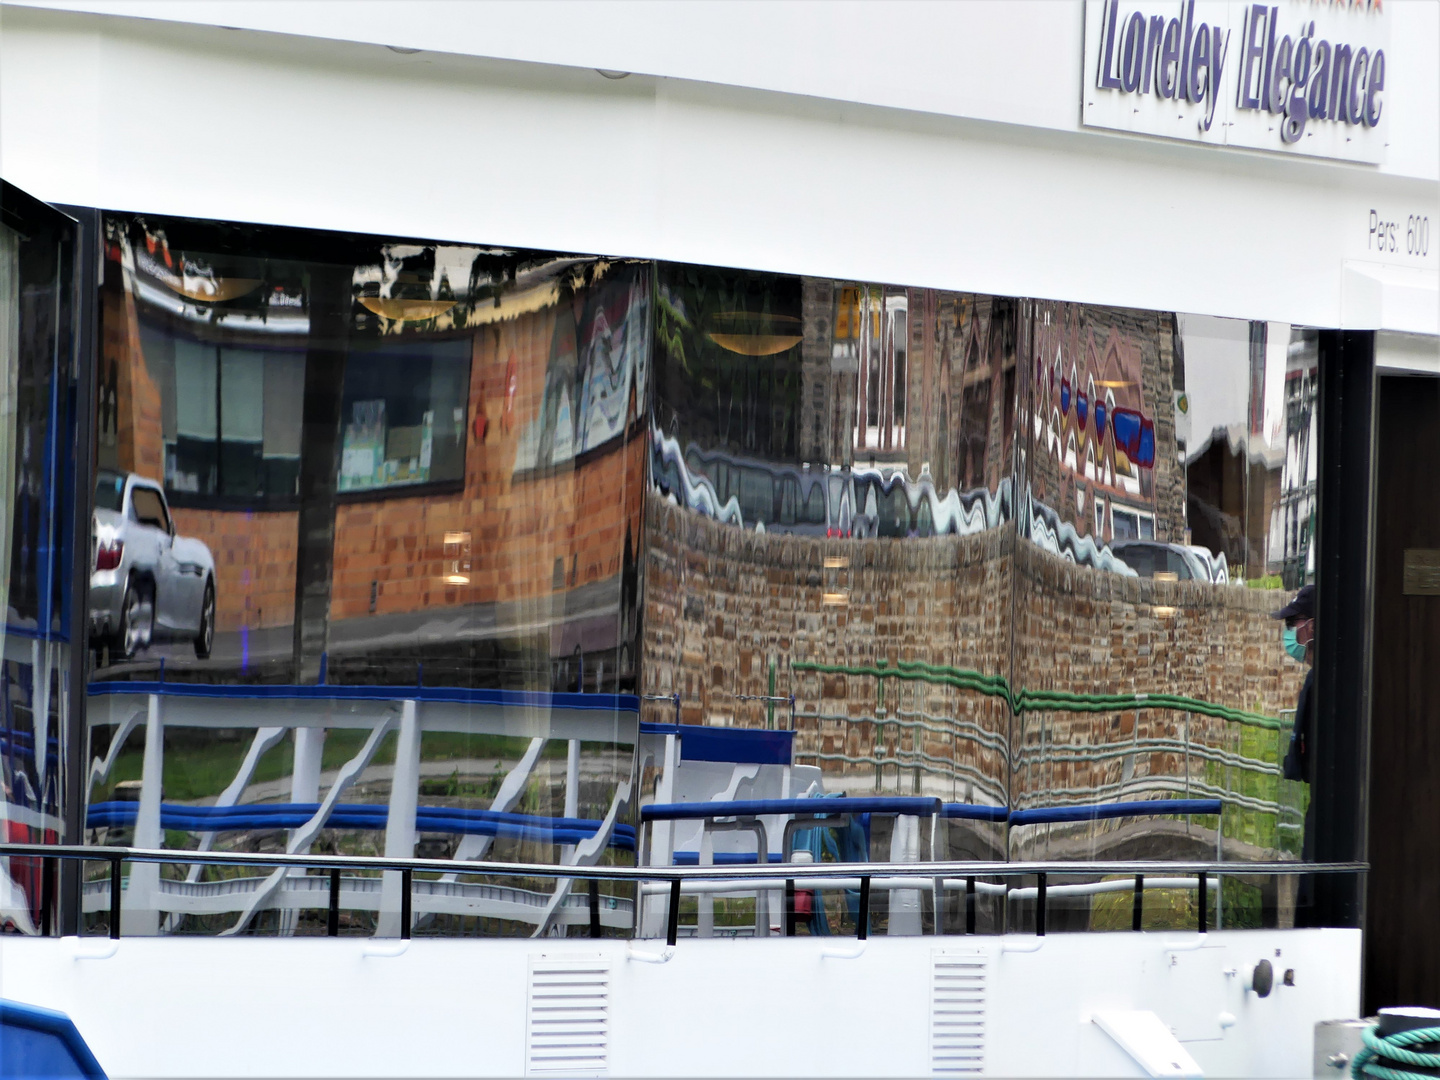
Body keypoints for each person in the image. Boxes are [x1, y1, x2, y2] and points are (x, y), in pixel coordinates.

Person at [1271, 583, 1316, 924]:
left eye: (1294, 624)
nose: (1290, 633)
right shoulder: (1318, 677)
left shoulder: (1324, 680)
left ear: (1311, 626)